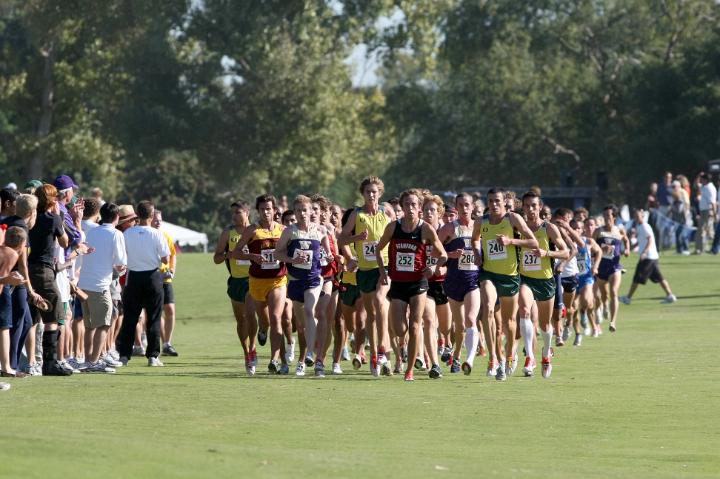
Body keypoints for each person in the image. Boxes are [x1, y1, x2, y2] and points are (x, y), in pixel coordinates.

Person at [376, 189, 448, 381]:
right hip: (398, 283)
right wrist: (383, 272)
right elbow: (378, 249)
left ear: (420, 208)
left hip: (418, 283)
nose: (410, 208)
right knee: (400, 329)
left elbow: (443, 255)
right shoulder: (393, 228)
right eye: (406, 204)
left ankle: (410, 370)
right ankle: (405, 345)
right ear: (402, 206)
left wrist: (432, 267)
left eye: (414, 205)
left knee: (416, 325)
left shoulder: (425, 229)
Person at [473, 188, 538, 381]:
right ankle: (493, 357)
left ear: (504, 202)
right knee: (488, 309)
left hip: (509, 276)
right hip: (488, 273)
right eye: (491, 201)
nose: (494, 204)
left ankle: (509, 354)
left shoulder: (513, 220)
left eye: (497, 201)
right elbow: (474, 239)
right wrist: (477, 253)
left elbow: (533, 242)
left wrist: (510, 241)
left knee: (510, 322)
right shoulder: (481, 221)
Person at [338, 176, 392, 377]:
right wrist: (355, 242)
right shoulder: (356, 215)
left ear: (380, 193)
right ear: (363, 194)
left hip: (384, 267)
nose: (371, 195)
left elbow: (396, 234)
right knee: (371, 314)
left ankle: (383, 351)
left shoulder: (387, 212)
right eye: (368, 192)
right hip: (365, 270)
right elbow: (341, 238)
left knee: (380, 301)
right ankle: (375, 355)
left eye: (374, 192)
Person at [274, 195, 332, 377]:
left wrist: (329, 255)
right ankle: (307, 351)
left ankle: (311, 355)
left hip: (314, 279)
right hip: (295, 281)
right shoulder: (289, 232)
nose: (302, 214)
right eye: (298, 211)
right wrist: (292, 259)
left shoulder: (320, 230)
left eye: (305, 210)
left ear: (310, 211)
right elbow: (277, 254)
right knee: (301, 324)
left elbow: (327, 251)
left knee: (309, 310)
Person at [231, 194, 289, 374]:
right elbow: (235, 253)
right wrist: (251, 256)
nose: (266, 212)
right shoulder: (252, 231)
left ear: (275, 210)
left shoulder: (284, 230)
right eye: (263, 209)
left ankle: (275, 360)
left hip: (278, 280)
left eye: (269, 209)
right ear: (258, 211)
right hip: (257, 282)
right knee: (264, 321)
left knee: (275, 318)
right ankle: (262, 329)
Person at [28, 184, 81, 376]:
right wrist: (61, 218)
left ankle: (32, 361)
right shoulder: (53, 219)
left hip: (29, 268)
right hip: (44, 269)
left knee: (33, 318)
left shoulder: (31, 218)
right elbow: (65, 242)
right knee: (53, 313)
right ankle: (49, 362)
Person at [516, 192, 569, 378]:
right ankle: (529, 356)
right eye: (527, 206)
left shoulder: (549, 228)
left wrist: (546, 254)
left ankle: (546, 352)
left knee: (546, 325)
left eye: (534, 206)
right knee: (524, 309)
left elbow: (566, 252)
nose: (530, 209)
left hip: (546, 280)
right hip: (525, 278)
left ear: (540, 207)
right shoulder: (518, 228)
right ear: (522, 207)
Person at [116, 201, 170, 366]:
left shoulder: (127, 234)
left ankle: (124, 355)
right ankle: (153, 356)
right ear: (152, 215)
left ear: (137, 215)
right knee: (153, 317)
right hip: (153, 277)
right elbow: (165, 258)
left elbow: (122, 256)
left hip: (133, 278)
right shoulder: (157, 234)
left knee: (130, 318)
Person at [78, 203, 127, 373]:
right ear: (116, 217)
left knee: (90, 325)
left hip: (83, 283)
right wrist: (120, 268)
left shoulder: (92, 231)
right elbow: (121, 263)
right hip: (100, 285)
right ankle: (93, 361)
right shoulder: (116, 233)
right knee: (104, 324)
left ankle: (87, 359)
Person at [437, 193, 482, 375]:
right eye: (461, 205)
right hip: (453, 281)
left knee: (471, 319)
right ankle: (456, 355)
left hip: (473, 281)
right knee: (458, 325)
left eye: (467, 205)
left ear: (472, 207)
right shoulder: (449, 229)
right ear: (456, 207)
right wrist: (449, 255)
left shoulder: (480, 228)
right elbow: (433, 252)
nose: (465, 208)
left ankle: (469, 360)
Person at [213, 200, 258, 375]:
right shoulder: (228, 233)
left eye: (238, 212)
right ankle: (246, 353)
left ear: (247, 213)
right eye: (232, 213)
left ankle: (253, 346)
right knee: (241, 320)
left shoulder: (255, 231)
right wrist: (227, 254)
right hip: (235, 281)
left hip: (253, 279)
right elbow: (216, 258)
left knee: (250, 311)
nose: (234, 216)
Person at [620, 209, 677, 305]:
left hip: (648, 257)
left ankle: (628, 298)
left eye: (639, 216)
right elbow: (640, 240)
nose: (637, 218)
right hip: (652, 257)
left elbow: (650, 239)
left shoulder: (645, 226)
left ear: (642, 216)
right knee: (659, 277)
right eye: (635, 216)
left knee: (637, 277)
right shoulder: (639, 226)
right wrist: (630, 248)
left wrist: (645, 252)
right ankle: (670, 296)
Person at [594, 205, 630, 332]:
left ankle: (613, 322)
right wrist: (600, 250)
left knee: (614, 292)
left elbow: (626, 239)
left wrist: (627, 250)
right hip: (601, 268)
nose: (606, 218)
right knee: (604, 294)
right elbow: (591, 247)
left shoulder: (619, 230)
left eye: (608, 215)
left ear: (614, 217)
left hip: (615, 267)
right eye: (604, 215)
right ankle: (604, 305)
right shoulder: (598, 231)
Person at [0, 227, 30, 377]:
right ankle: (7, 368)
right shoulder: (11, 254)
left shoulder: (3, 250)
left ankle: (7, 367)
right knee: (4, 327)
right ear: (22, 243)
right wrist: (10, 280)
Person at [151, 209, 179, 356]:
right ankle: (160, 343)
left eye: (160, 219)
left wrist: (172, 270)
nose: (158, 222)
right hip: (151, 278)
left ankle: (167, 343)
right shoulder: (147, 235)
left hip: (165, 278)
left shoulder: (166, 236)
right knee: (156, 311)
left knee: (170, 309)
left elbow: (173, 255)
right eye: (155, 219)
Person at [694, 172, 716, 254]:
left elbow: (712, 202)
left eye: (702, 179)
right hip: (703, 211)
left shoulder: (710, 188)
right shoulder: (704, 187)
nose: (701, 180)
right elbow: (696, 184)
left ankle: (706, 249)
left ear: (705, 180)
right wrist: (698, 175)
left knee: (707, 231)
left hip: (708, 211)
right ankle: (699, 249)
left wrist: (714, 213)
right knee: (701, 231)